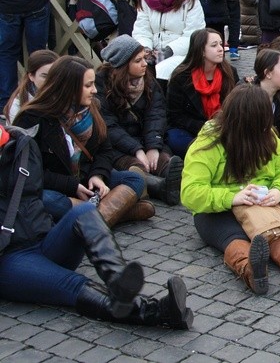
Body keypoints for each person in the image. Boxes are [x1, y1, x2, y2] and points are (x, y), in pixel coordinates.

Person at [0, 138, 192, 330]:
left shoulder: (20, 144)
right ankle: (157, 313)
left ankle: (119, 281)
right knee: (73, 284)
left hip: (43, 239)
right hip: (9, 258)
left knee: (83, 212)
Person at [181, 84, 280, 295]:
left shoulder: (269, 137)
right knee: (234, 239)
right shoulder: (208, 143)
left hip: (258, 205)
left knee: (274, 233)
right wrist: (232, 197)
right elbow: (190, 192)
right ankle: (251, 270)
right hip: (218, 211)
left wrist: (279, 191)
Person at [14, 56, 151, 227]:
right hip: (55, 187)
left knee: (134, 179)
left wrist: (98, 175)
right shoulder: (30, 118)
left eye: (93, 84)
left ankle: (91, 218)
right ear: (67, 88)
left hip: (86, 179)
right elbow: (27, 171)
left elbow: (105, 149)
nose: (94, 90)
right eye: (88, 86)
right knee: (45, 200)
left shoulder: (91, 108)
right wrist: (72, 186)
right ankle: (113, 214)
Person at [96, 36, 183, 206]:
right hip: (116, 146)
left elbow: (156, 115)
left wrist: (153, 147)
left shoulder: (148, 80)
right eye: (138, 60)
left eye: (144, 58)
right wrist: (136, 149)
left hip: (144, 138)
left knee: (162, 159)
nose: (145, 63)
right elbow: (109, 125)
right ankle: (158, 187)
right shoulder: (101, 86)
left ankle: (171, 176)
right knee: (135, 166)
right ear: (123, 64)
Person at [132, 0, 206, 81]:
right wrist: (146, 49)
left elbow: (194, 35)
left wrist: (168, 51)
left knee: (161, 71)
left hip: (181, 53)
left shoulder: (190, 0)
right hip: (152, 53)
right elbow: (141, 29)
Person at [167, 29, 239, 157]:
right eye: (214, 45)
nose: (220, 49)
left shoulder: (230, 73)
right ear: (201, 51)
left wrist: (221, 126)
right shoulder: (181, 77)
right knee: (176, 139)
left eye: (221, 44)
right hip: (191, 129)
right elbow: (175, 116)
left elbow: (237, 107)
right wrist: (205, 127)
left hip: (223, 127)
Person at [3, 50, 58, 123]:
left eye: (55, 76)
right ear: (31, 76)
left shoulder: (64, 93)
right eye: (45, 76)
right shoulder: (17, 104)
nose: (50, 80)